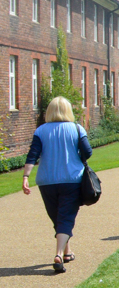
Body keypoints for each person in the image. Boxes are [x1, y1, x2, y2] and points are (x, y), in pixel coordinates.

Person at [21, 96, 91, 273]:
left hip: (47, 181)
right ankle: (59, 254)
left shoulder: (41, 131)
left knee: (57, 217)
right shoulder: (76, 128)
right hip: (71, 179)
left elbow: (32, 155)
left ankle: (67, 253)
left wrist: (25, 177)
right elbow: (88, 152)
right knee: (66, 217)